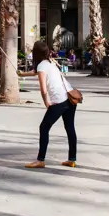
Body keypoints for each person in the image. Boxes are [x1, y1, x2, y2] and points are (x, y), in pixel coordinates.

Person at [22, 40, 77, 169]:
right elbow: (36, 72)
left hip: (59, 100)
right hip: (70, 97)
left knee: (44, 127)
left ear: (35, 53)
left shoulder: (41, 65)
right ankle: (72, 159)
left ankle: (40, 160)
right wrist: (22, 74)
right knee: (70, 128)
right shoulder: (50, 62)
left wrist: (46, 102)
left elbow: (43, 89)